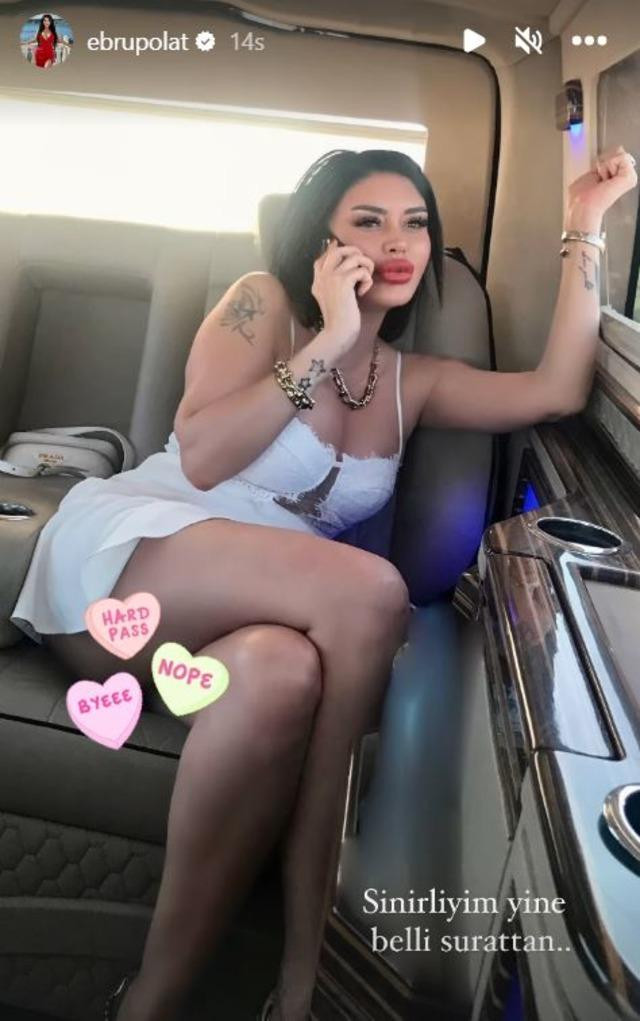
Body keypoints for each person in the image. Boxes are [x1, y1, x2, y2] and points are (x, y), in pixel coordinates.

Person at [9, 146, 637, 1021]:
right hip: (139, 548)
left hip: (258, 610)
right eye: (368, 222)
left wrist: (585, 222)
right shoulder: (262, 302)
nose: (397, 243)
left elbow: (558, 389)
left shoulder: (412, 383)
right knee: (373, 593)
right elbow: (202, 455)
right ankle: (312, 971)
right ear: (321, 243)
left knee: (283, 675)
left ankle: (149, 999)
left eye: (415, 223)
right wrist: (330, 339)